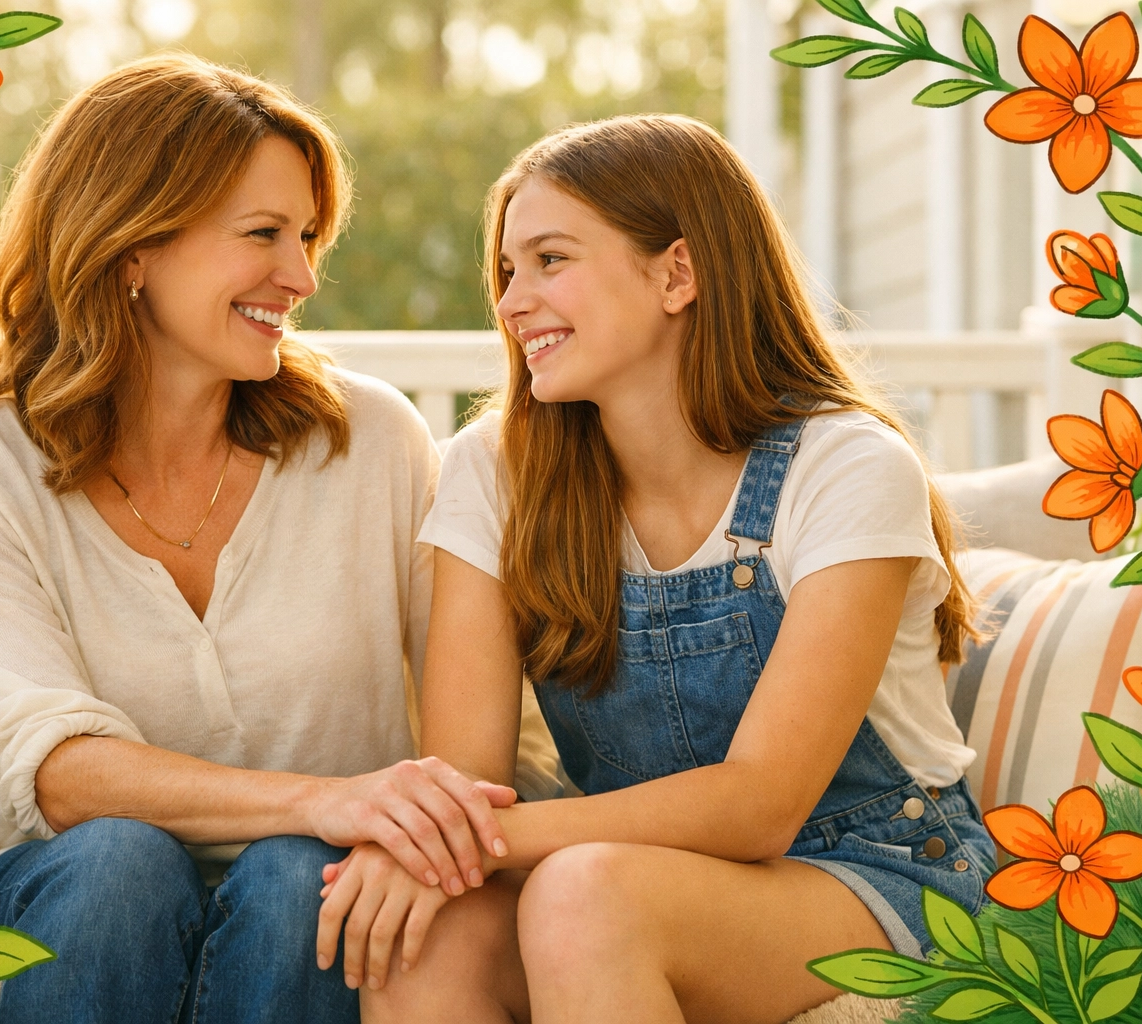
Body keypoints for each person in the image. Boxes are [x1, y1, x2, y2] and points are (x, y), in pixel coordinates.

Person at [0, 55, 556, 1024]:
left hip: (317, 881)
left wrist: (359, 825)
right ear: (132, 246)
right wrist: (321, 798)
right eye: (263, 235)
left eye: (305, 237)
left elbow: (481, 721)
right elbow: (59, 773)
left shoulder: (372, 442)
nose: (300, 277)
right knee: (124, 857)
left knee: (303, 877)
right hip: (77, 887)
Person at [317, 113, 998, 1024]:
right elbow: (468, 770)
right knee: (425, 931)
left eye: (552, 260)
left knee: (581, 894)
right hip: (632, 874)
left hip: (880, 872)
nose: (515, 302)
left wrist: (453, 843)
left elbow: (761, 805)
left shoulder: (846, 466)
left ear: (677, 272)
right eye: (508, 272)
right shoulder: (495, 472)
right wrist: (437, 848)